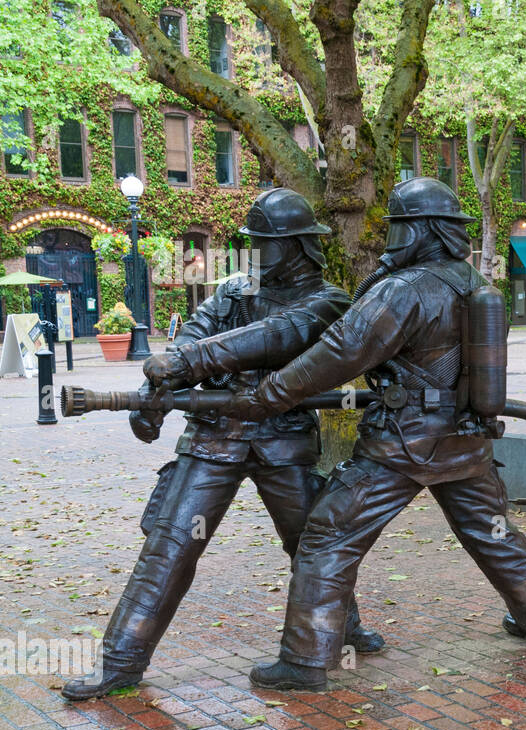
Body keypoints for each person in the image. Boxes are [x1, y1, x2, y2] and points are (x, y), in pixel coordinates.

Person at [214, 177, 526, 691]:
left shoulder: (404, 289)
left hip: (402, 442)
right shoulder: (471, 281)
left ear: (417, 231)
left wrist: (268, 395)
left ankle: (305, 660)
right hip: (464, 440)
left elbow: (339, 352)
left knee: (328, 534)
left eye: (397, 229)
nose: (389, 241)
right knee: (492, 530)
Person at [62, 188, 383, 700]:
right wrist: (153, 394)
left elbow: (276, 336)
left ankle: (343, 629)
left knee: (312, 548)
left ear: (297, 246)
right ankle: (119, 663)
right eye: (252, 242)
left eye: (265, 243)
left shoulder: (328, 302)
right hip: (214, 439)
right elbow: (192, 336)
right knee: (170, 547)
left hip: (283, 442)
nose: (255, 252)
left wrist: (186, 366)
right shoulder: (235, 290)